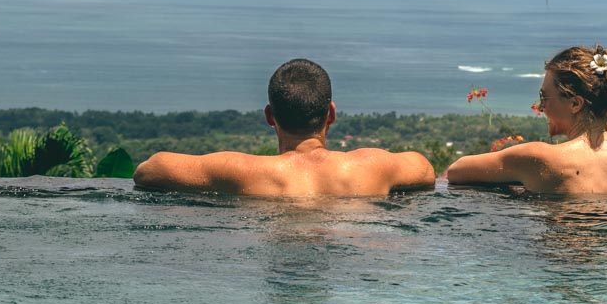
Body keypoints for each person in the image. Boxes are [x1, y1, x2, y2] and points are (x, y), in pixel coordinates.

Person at [133, 58, 436, 197]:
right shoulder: (372, 166)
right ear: (330, 114)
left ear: (269, 116)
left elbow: (150, 169)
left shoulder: (240, 170)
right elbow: (424, 169)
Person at [446, 45, 607, 195]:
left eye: (544, 97)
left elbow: (456, 171)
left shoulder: (538, 159)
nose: (541, 107)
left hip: (562, 267)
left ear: (575, 104)